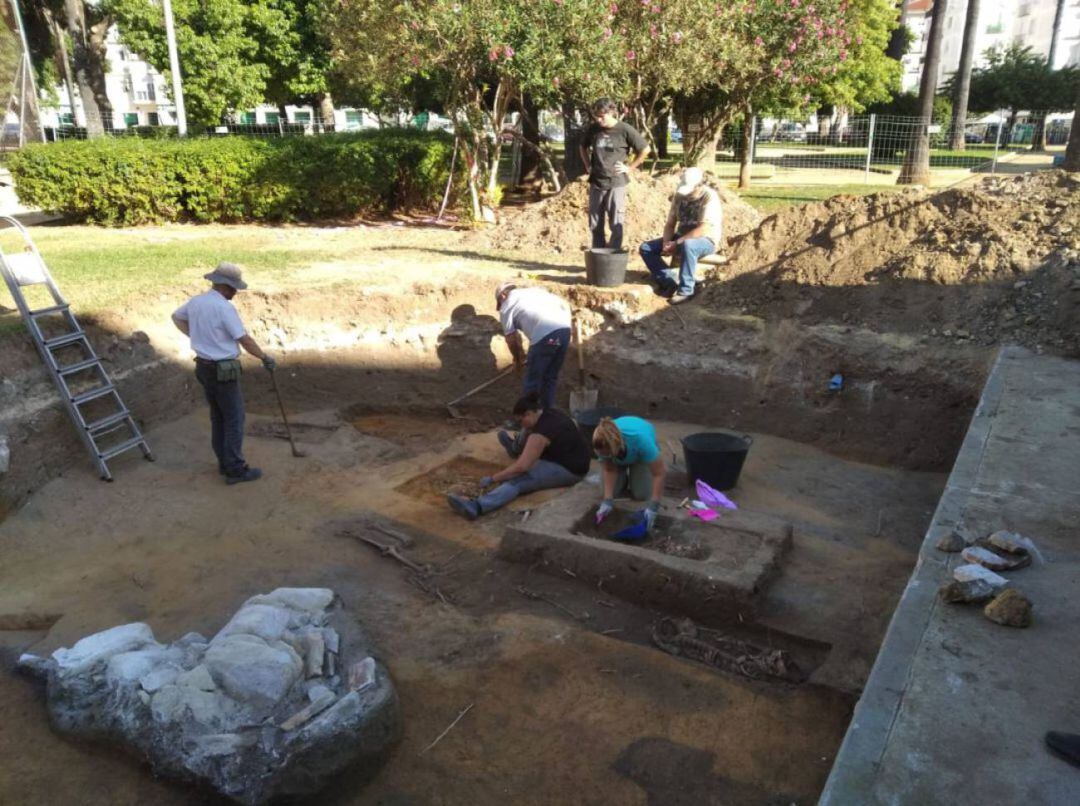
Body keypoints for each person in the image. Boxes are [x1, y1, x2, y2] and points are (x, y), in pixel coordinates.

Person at [172, 263, 275, 484]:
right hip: (222, 371)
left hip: (203, 367)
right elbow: (243, 338)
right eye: (235, 288)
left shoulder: (196, 301)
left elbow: (176, 317)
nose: (236, 292)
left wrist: (196, 336)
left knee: (218, 417)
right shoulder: (224, 308)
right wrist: (264, 357)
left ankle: (224, 463)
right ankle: (236, 470)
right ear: (227, 286)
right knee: (234, 419)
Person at [447, 393, 590, 519]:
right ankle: (514, 449)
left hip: (570, 470)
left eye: (520, 421)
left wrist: (493, 478)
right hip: (571, 458)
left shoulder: (541, 433)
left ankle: (478, 506)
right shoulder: (548, 413)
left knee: (518, 480)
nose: (520, 425)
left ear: (528, 413)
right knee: (524, 447)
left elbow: (522, 467)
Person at [638, 166, 722, 305]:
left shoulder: (709, 197)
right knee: (646, 248)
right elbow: (670, 224)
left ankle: (686, 290)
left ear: (699, 185)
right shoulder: (679, 196)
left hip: (705, 240)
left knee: (689, 245)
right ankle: (670, 281)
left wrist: (677, 243)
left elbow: (704, 227)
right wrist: (666, 243)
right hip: (681, 237)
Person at [579, 98, 649, 251]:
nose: (598, 119)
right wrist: (587, 165)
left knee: (616, 222)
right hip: (596, 182)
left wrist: (630, 168)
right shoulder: (594, 129)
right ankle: (598, 253)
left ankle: (614, 254)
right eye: (596, 116)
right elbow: (582, 147)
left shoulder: (625, 130)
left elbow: (645, 149)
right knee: (595, 222)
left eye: (601, 116)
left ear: (611, 113)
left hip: (616, 182)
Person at [495, 282, 572, 410]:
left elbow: (511, 338)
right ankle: (547, 417)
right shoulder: (535, 291)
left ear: (502, 295)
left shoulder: (507, 305)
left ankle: (528, 421)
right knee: (550, 377)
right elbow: (565, 304)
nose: (500, 306)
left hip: (545, 334)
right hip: (564, 331)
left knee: (532, 381)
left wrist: (518, 360)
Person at [592, 415, 666, 533]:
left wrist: (654, 506)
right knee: (609, 492)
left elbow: (659, 473)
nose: (602, 455)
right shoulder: (600, 443)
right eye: (602, 453)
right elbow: (609, 469)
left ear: (615, 447)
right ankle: (623, 476)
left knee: (641, 495)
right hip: (618, 455)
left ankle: (635, 472)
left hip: (639, 456)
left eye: (607, 454)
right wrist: (607, 500)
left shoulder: (641, 440)